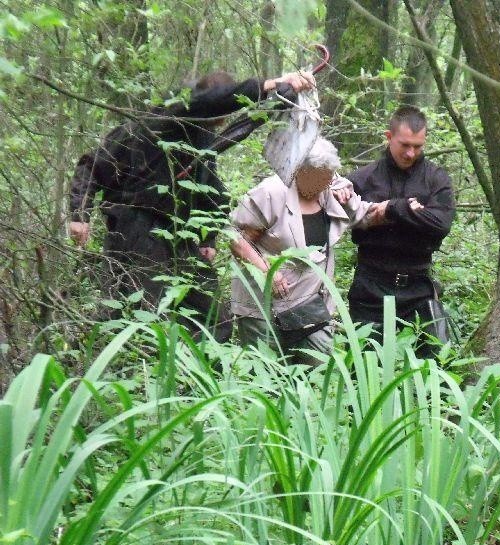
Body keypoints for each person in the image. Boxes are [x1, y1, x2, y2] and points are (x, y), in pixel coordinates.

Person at [68, 69, 315, 342]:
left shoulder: (202, 136)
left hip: (180, 237)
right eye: (220, 110)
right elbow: (91, 165)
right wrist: (79, 213)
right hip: (135, 232)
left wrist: (207, 236)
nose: (221, 121)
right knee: (141, 316)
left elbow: (212, 190)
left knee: (213, 319)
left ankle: (197, 380)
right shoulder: (161, 119)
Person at [229, 137, 374, 364]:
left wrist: (399, 209)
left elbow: (363, 213)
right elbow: (237, 240)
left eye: (328, 177)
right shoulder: (271, 192)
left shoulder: (330, 190)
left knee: (316, 369)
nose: (324, 184)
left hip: (310, 304)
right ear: (300, 170)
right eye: (318, 178)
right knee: (267, 376)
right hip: (263, 305)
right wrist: (266, 270)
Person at [346, 105, 455, 356]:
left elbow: (440, 224)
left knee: (435, 365)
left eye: (418, 146)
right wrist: (415, 213)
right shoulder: (363, 179)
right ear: (389, 137)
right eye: (404, 144)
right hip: (371, 282)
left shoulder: (435, 179)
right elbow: (344, 221)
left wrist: (394, 210)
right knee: (363, 364)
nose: (410, 153)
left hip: (417, 284)